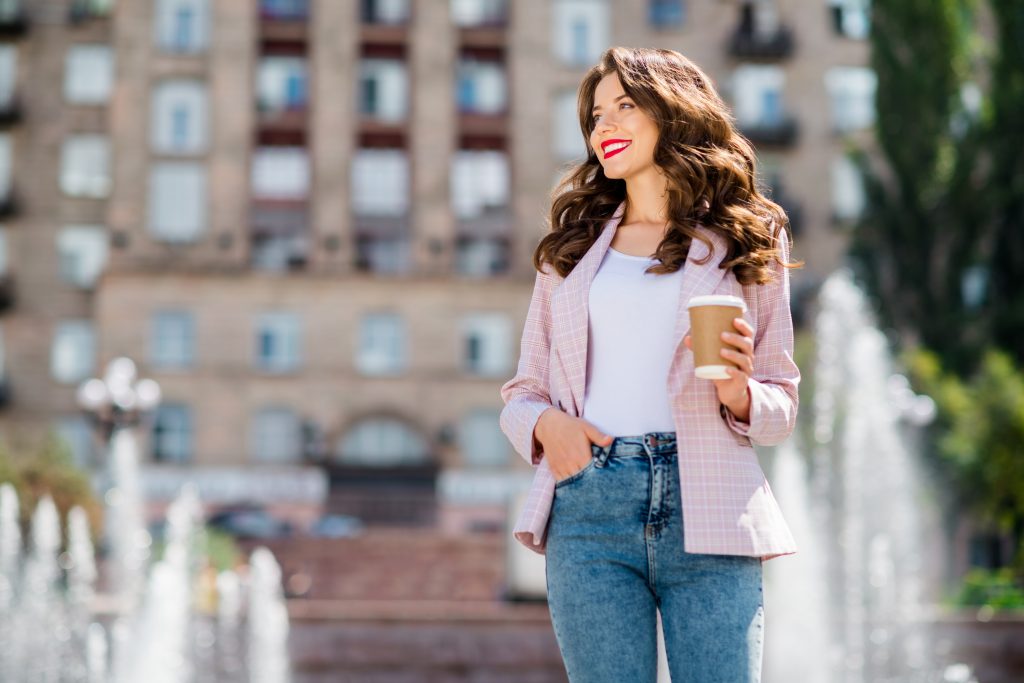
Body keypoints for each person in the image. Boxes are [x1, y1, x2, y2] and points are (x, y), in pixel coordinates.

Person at [498, 47, 804, 683]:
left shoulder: (749, 237)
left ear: (675, 112)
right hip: (590, 505)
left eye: (624, 106)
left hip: (712, 505)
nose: (602, 125)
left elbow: (781, 407)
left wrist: (741, 392)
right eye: (595, 114)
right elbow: (523, 391)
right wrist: (548, 429)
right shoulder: (570, 249)